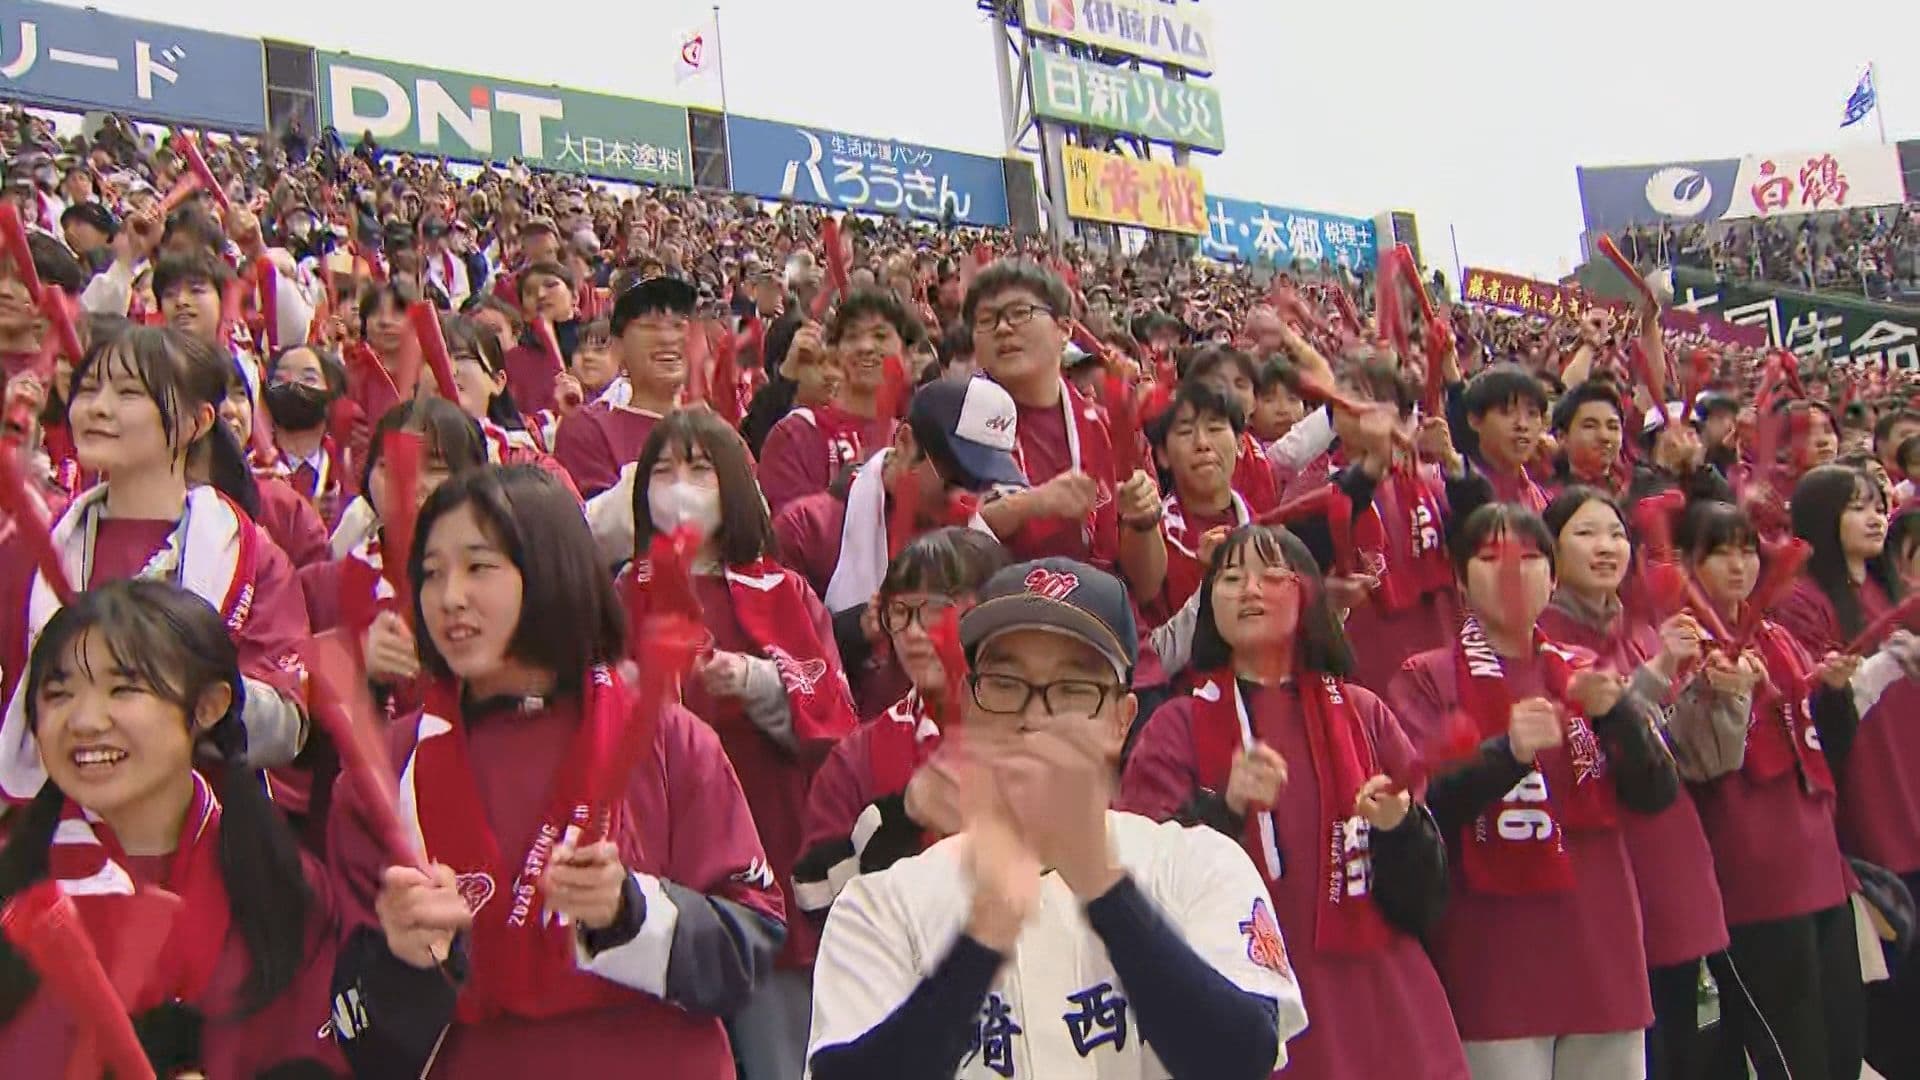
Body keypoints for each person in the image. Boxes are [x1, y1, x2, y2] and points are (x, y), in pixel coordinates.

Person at [326, 466, 785, 1079]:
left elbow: (751, 942)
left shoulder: (669, 742)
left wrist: (631, 911)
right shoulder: (383, 772)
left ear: (550, 568)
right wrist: (405, 961)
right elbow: (358, 1029)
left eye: (478, 566)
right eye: (431, 572)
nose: (449, 596)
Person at [806, 557, 1308, 1078]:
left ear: (1121, 721)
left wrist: (1101, 884)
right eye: (1005, 682)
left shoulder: (1196, 864)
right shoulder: (882, 904)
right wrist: (983, 938)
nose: (1036, 716)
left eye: (1073, 688)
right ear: (969, 706)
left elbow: (1240, 1057)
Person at [1120, 526, 1467, 1079]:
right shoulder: (1177, 726)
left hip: (1384, 1005)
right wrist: (1224, 808)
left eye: (1271, 576)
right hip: (1252, 1005)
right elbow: (1141, 884)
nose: (1248, 590)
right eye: (1229, 579)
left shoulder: (1364, 712)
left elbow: (1428, 897)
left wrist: (1400, 827)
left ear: (1308, 594)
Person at [0, 580, 345, 1076]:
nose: (85, 720)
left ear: (207, 706)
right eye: (58, 693)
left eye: (124, 689)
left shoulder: (281, 889)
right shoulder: (16, 889)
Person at [1387, 503, 1679, 1079]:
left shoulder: (1584, 669)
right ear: (1460, 578)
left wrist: (1619, 715)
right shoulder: (1426, 674)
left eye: (1530, 558)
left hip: (1601, 949)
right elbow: (1418, 804)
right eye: (1491, 559)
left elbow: (1656, 794)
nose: (1514, 573)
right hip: (1494, 956)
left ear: (1552, 574)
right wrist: (1505, 755)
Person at [621, 408, 857, 1078]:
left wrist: (755, 681)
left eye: (699, 468)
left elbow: (832, 719)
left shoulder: (783, 592)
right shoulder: (618, 592)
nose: (680, 485)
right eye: (663, 470)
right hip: (655, 854)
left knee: (774, 1053)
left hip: (766, 844)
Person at [0, 326, 310, 807]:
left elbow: (285, 727)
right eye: (88, 390)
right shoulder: (32, 549)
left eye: (128, 393)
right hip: (51, 826)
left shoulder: (248, 554)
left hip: (193, 828)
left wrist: (175, 687)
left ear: (196, 422)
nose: (98, 408)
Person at [1678, 500, 1900, 1080]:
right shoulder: (1684, 644)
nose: (1738, 565)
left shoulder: (1773, 635)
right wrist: (1729, 697)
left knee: (1843, 1046)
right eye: (1718, 552)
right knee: (1790, 1056)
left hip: (1819, 864)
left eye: (1746, 550)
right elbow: (1705, 761)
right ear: (1685, 563)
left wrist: (1830, 690)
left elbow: (1825, 741)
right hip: (1754, 875)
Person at [1533, 487, 1728, 1080]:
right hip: (1608, 865)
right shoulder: (1542, 639)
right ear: (1549, 551)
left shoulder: (1643, 627)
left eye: (1617, 534)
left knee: (1680, 1029)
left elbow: (1684, 749)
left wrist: (1718, 694)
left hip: (1670, 855)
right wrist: (1658, 673)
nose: (1607, 546)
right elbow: (1589, 739)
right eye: (1587, 533)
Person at [1772, 463, 1920, 1079]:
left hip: (1911, 778)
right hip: (1867, 797)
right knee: (1895, 982)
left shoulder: (1888, 591)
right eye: (1857, 505)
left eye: (1879, 502)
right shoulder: (1803, 603)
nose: (1875, 514)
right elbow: (1821, 702)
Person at [794, 528, 1009, 914]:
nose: (912, 632)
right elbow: (812, 901)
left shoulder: (1038, 734)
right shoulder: (856, 758)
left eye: (934, 609)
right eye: (900, 611)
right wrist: (901, 820)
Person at [963, 261, 1163, 596]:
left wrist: (1142, 521)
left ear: (1065, 328)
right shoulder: (953, 421)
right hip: (1002, 618)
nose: (1002, 328)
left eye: (1019, 312)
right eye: (986, 320)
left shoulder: (1107, 428)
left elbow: (1145, 587)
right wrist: (1031, 505)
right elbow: (941, 550)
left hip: (1101, 616)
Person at [758, 291, 912, 514]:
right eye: (852, 337)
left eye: (880, 336)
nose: (866, 346)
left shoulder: (910, 442)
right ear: (836, 353)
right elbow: (791, 536)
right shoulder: (796, 435)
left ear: (906, 354)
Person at [553, 276, 691, 499]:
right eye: (651, 328)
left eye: (679, 327)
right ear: (618, 349)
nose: (668, 340)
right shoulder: (588, 427)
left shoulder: (718, 433)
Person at [261, 344, 354, 527]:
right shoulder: (252, 469)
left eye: (309, 378)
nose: (294, 384)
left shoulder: (349, 471)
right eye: (281, 378)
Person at [1456, 363, 1548, 511]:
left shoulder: (1543, 501)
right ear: (1475, 420)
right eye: (1507, 412)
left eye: (1532, 413)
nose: (1522, 425)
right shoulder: (1452, 487)